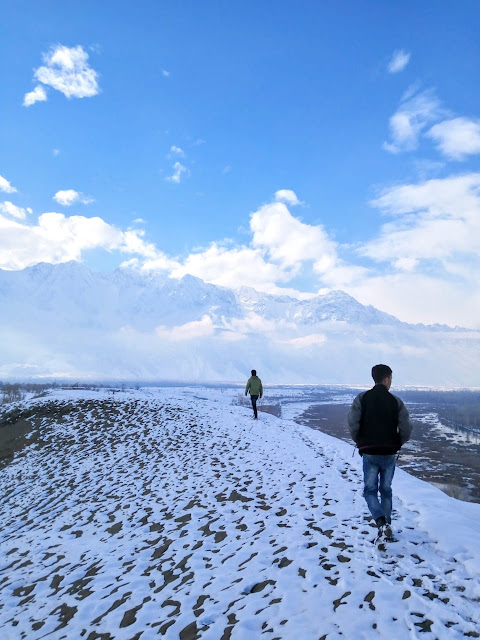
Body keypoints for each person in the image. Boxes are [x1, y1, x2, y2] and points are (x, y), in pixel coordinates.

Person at [348, 364, 412, 540]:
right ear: (387, 378)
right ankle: (386, 526)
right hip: (389, 453)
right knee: (386, 490)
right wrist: (398, 442)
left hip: (369, 452)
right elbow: (406, 428)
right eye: (391, 378)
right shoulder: (395, 401)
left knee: (370, 491)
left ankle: (381, 524)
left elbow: (353, 424)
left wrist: (360, 441)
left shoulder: (362, 398)